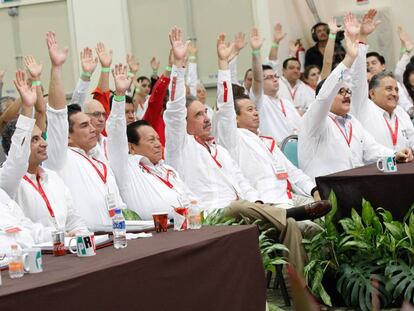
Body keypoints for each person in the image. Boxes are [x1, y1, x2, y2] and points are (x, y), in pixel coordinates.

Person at [164, 27, 331, 274]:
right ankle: (287, 212)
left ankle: (303, 291)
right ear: (185, 122)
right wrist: (180, 67)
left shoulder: (219, 150)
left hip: (248, 210)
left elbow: (243, 183)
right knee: (239, 207)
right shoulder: (180, 146)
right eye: (198, 115)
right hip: (210, 215)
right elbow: (190, 110)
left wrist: (259, 204)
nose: (207, 118)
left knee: (289, 224)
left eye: (205, 113)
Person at [214, 35, 325, 236]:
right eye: (249, 110)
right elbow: (225, 106)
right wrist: (224, 64)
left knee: (330, 208)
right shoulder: (233, 139)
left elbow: (293, 172)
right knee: (311, 227)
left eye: (255, 109)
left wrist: (314, 190)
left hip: (289, 198)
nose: (256, 112)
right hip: (268, 204)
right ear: (235, 119)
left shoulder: (267, 141)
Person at [298, 13, 412, 181]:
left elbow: (372, 149)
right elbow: (327, 93)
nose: (347, 95)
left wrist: (396, 154)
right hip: (324, 193)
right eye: (341, 92)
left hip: (355, 186)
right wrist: (349, 58)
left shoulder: (352, 122)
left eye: (348, 92)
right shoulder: (314, 119)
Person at [40, 32, 124, 229]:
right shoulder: (60, 158)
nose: (94, 128)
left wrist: (119, 95)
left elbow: (117, 130)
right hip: (85, 241)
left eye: (91, 123)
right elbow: (60, 114)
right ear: (67, 136)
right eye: (84, 125)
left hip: (117, 234)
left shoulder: (99, 155)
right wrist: (57, 68)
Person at [0, 68, 87, 235]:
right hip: (37, 255)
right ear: (15, 146)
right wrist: (26, 108)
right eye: (35, 139)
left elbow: (73, 218)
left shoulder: (53, 177)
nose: (44, 143)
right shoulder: (9, 180)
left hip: (70, 250)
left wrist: (82, 235)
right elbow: (18, 158)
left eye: (41, 137)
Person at [106, 64, 196, 219]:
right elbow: (116, 136)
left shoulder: (168, 170)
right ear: (132, 147)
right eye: (151, 140)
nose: (157, 144)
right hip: (154, 235)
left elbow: (192, 199)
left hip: (186, 226)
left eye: (158, 139)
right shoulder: (126, 168)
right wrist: (119, 95)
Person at [349, 10, 414, 151]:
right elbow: (357, 78)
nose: (395, 93)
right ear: (372, 94)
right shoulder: (364, 107)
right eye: (388, 89)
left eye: (396, 89)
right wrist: (362, 38)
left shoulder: (401, 112)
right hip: (374, 170)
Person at [249, 27, 302, 143]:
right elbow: (257, 79)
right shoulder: (260, 100)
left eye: (275, 76)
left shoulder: (286, 103)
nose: (274, 80)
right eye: (268, 77)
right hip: (275, 151)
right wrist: (256, 51)